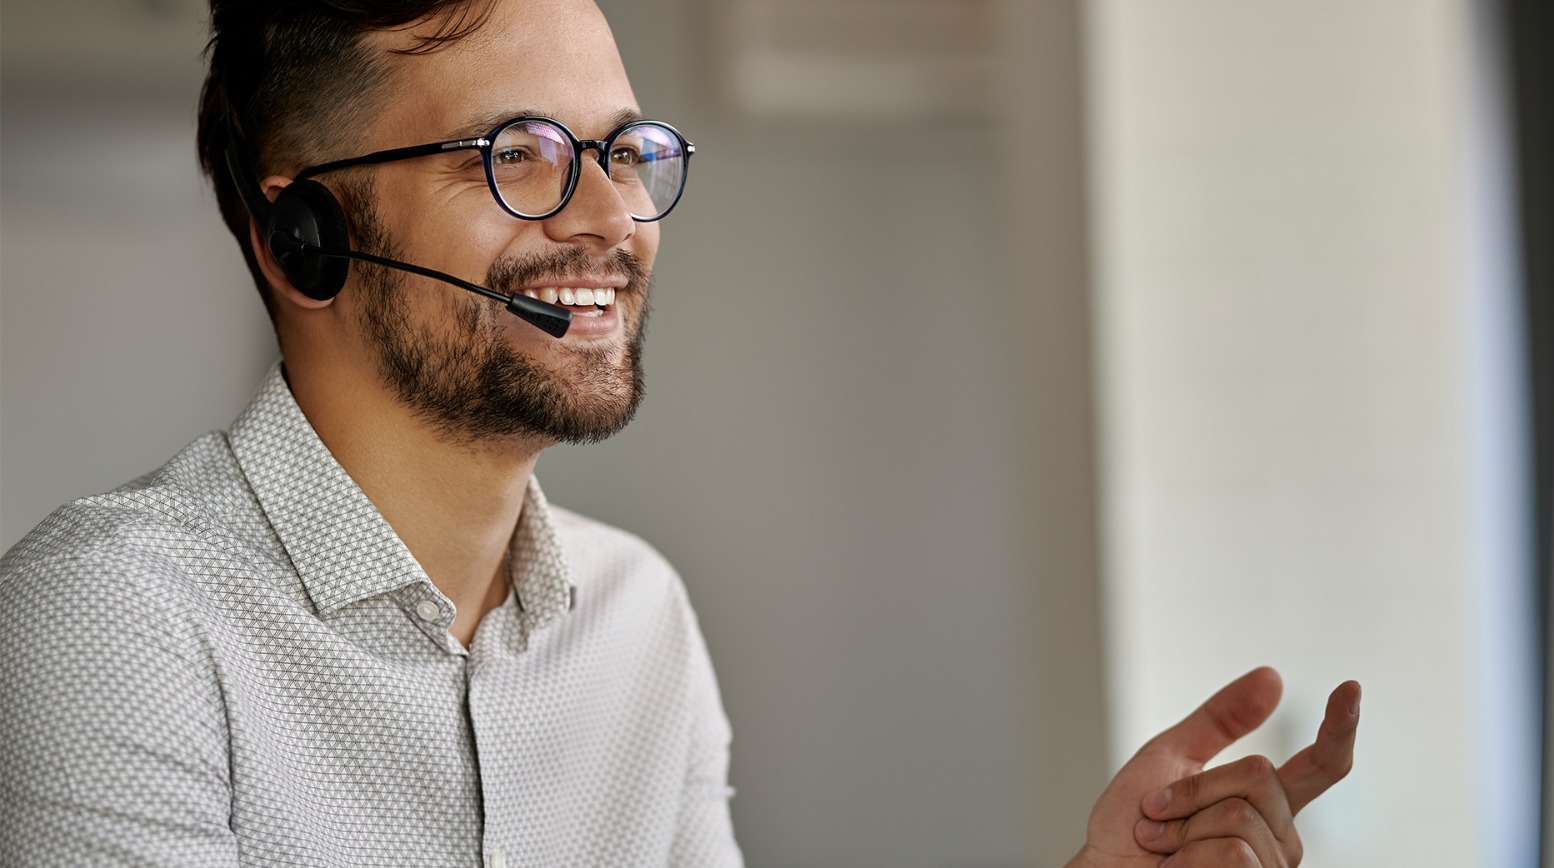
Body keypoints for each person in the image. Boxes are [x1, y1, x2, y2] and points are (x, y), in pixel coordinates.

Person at [0, 1, 1360, 865]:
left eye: (626, 150)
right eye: (516, 155)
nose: (607, 218)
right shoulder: (112, 626)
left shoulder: (639, 621)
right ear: (303, 236)